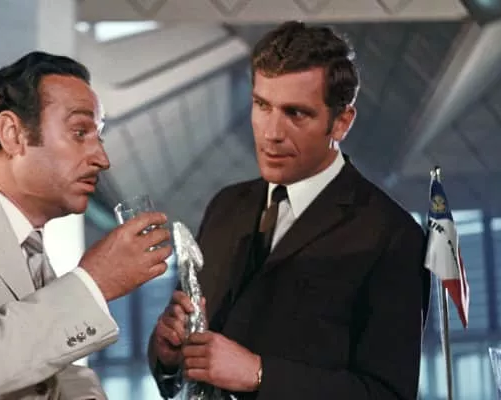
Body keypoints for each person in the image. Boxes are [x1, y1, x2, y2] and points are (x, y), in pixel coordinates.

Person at [148, 21, 430, 399]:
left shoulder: (391, 234)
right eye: (262, 105)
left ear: (342, 122)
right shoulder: (225, 207)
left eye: (295, 113)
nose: (272, 133)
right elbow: (184, 370)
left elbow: (388, 394)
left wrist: (259, 374)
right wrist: (167, 354)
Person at [0, 51, 172, 400]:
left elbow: (48, 373)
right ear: (13, 134)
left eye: (98, 136)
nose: (102, 158)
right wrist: (94, 281)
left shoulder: (26, 242)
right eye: (80, 132)